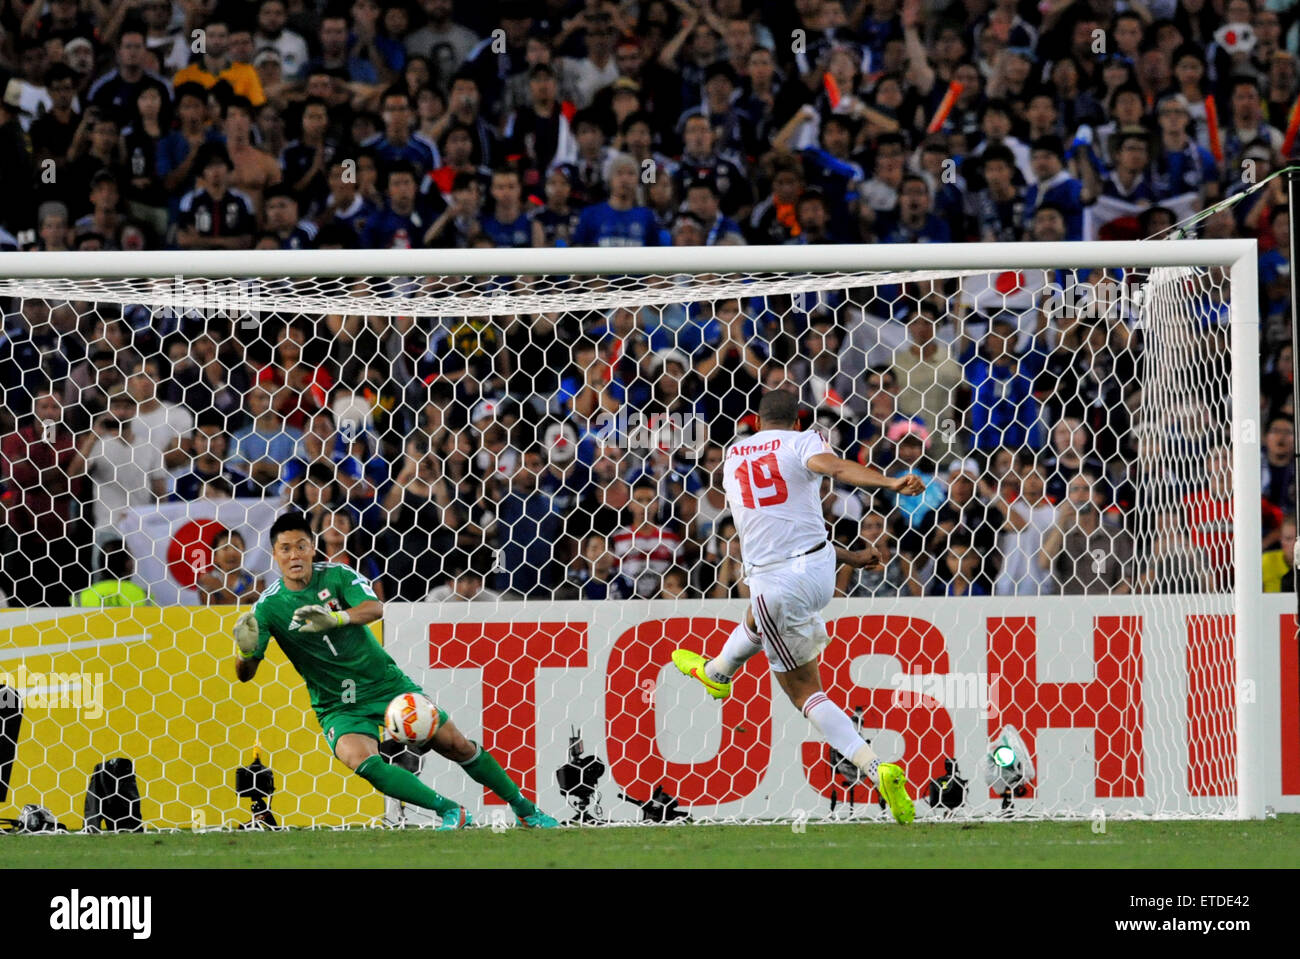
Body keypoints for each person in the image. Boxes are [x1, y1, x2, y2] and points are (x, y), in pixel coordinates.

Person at [670, 389, 923, 824]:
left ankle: (874, 767)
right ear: (799, 419)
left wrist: (887, 482)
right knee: (762, 619)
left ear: (756, 418)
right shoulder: (804, 440)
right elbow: (835, 468)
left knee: (806, 692)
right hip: (819, 566)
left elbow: (772, 517)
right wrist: (887, 486)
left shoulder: (733, 456)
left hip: (775, 580)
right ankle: (716, 673)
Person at [232, 511, 557, 829]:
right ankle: (450, 811)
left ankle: (524, 808)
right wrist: (245, 652)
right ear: (274, 554)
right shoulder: (267, 608)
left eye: (300, 545)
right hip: (335, 702)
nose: (294, 555)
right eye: (285, 549)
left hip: (384, 685)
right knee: (359, 759)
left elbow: (375, 608)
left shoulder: (338, 576)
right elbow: (245, 675)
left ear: (313, 547)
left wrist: (335, 618)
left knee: (456, 744)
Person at [198, 529, 261, 604]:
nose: (232, 553)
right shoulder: (208, 580)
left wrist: (220, 587)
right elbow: (211, 611)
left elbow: (258, 607)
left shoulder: (255, 577)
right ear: (215, 557)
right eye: (225, 548)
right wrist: (245, 597)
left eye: (236, 547)